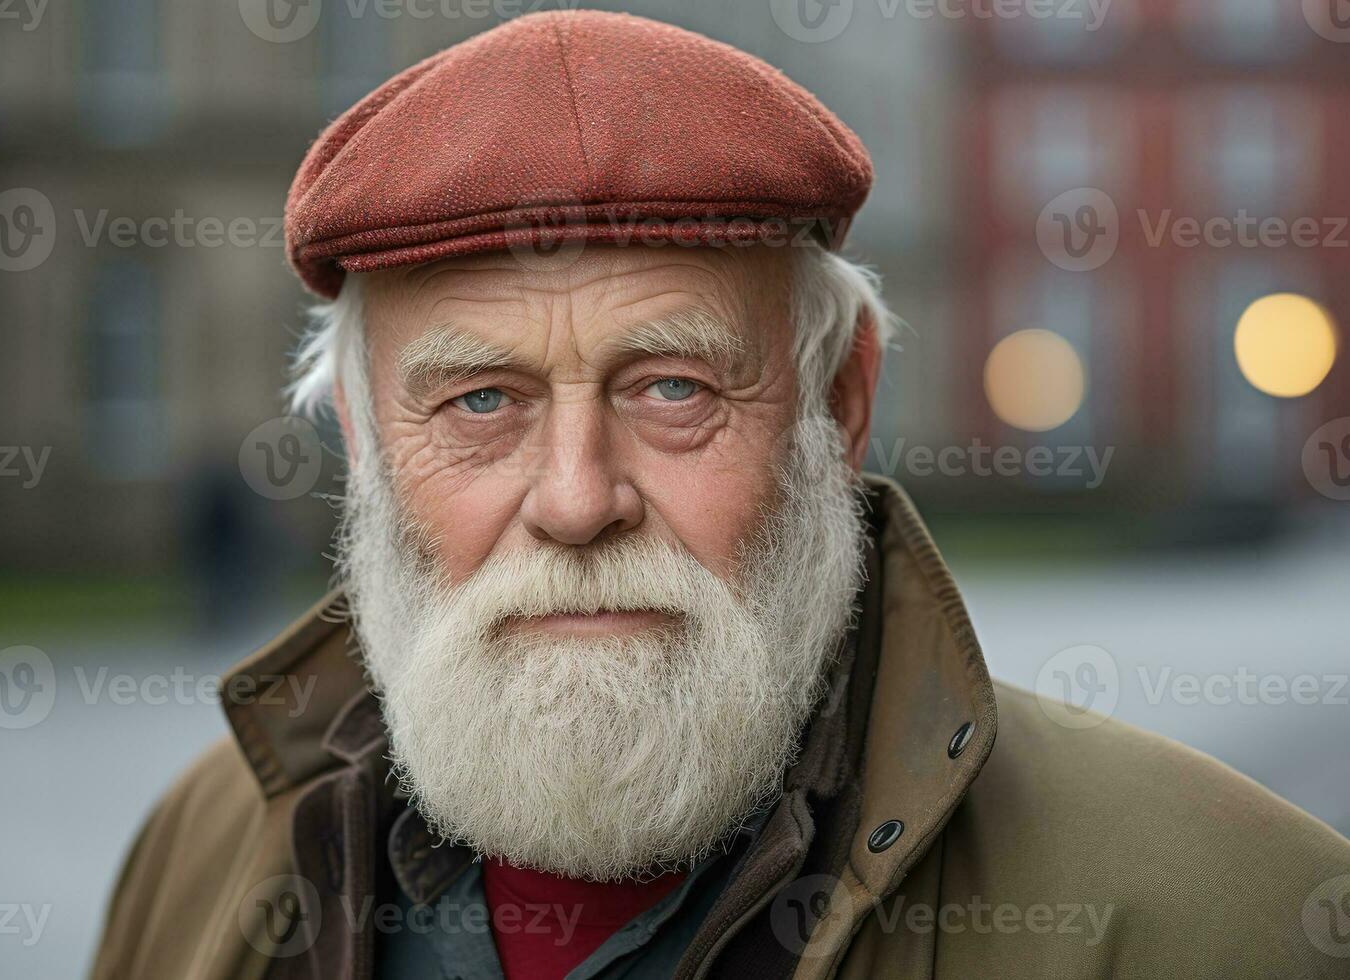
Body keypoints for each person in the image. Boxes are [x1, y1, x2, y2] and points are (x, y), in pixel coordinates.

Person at [91, 11, 1350, 980]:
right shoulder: (198, 851)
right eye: (481, 402)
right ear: (363, 436)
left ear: (841, 402)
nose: (577, 500)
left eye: (673, 387)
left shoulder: (1232, 918)